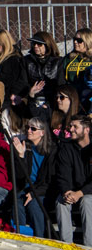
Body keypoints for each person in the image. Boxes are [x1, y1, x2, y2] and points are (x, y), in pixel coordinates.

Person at [12, 116, 56, 238]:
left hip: (43, 190)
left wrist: (34, 193)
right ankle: (19, 237)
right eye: (27, 127)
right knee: (17, 201)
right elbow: (20, 177)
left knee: (34, 204)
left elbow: (51, 181)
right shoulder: (26, 147)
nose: (29, 130)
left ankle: (40, 237)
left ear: (42, 132)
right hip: (26, 187)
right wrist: (21, 155)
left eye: (33, 128)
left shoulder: (52, 151)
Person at [55, 114, 92, 243]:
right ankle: (66, 244)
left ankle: (89, 245)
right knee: (61, 201)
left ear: (86, 129)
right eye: (70, 126)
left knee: (87, 200)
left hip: (88, 193)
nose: (71, 129)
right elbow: (62, 174)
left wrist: (80, 193)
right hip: (73, 191)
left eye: (75, 126)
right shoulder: (67, 148)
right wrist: (67, 192)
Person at [0, 29, 29, 104]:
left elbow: (21, 81)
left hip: (9, 99)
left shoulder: (14, 60)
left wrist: (14, 94)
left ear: (5, 44)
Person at [23, 32, 62, 109]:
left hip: (52, 99)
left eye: (39, 44)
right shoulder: (26, 61)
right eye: (34, 43)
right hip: (33, 98)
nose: (35, 46)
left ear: (47, 45)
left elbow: (60, 83)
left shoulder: (58, 61)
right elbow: (23, 81)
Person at [64, 29, 92, 101]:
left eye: (79, 40)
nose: (75, 42)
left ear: (87, 41)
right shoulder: (69, 58)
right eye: (74, 39)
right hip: (71, 95)